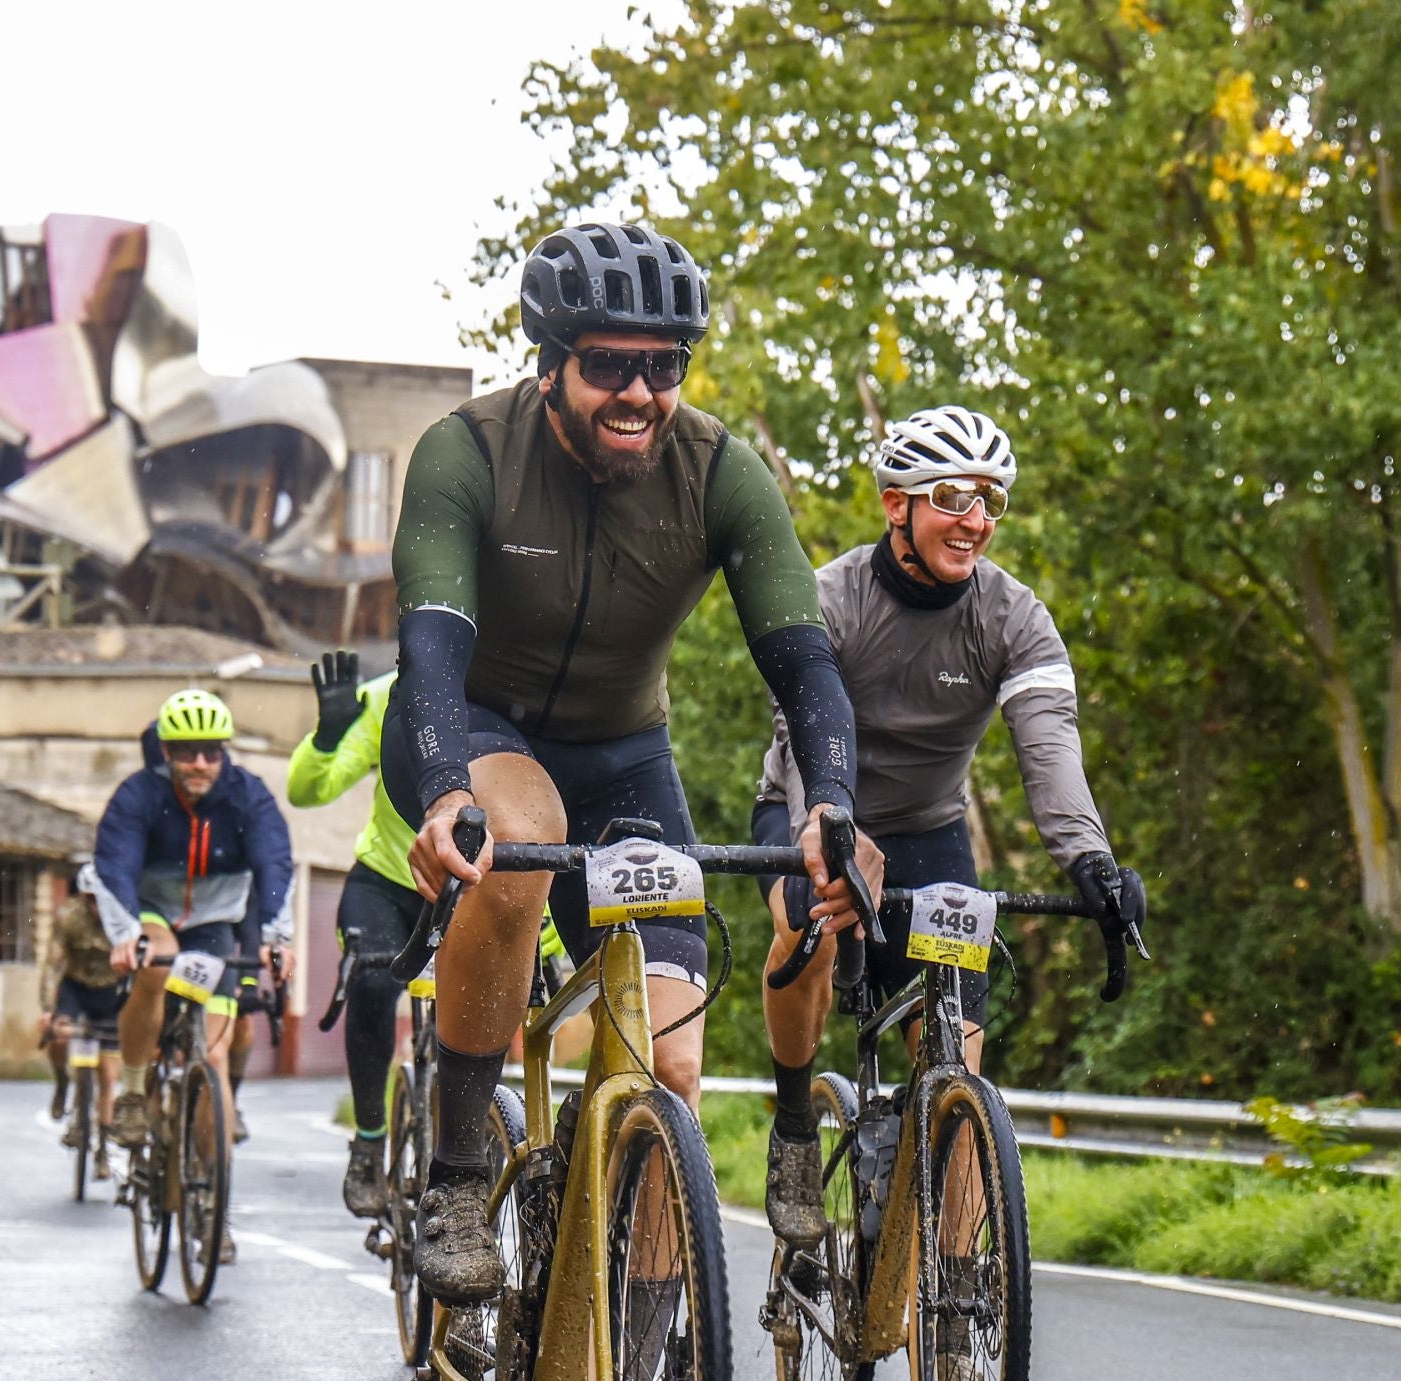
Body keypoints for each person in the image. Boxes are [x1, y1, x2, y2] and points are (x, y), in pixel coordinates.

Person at [383, 221, 881, 1305]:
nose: (639, 393)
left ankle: (652, 1328)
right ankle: (460, 1175)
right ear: (552, 360)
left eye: (663, 368)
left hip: (624, 757)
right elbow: (429, 645)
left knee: (674, 1072)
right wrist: (442, 793)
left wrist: (831, 801)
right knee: (513, 848)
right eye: (608, 365)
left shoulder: (718, 469)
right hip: (475, 725)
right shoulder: (467, 452)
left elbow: (807, 667)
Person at [753, 405, 1149, 1258]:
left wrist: (1090, 858)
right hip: (810, 808)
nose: (975, 520)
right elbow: (799, 739)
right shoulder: (831, 597)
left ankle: (963, 1283)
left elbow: (1049, 746)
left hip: (931, 834)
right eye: (952, 496)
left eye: (990, 501)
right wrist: (825, 835)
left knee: (958, 1071)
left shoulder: (1013, 616)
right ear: (897, 504)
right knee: (807, 931)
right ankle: (792, 1125)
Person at [95, 689, 296, 1264]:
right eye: (187, 752)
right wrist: (124, 933)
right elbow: (113, 866)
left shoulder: (247, 796)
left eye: (211, 751)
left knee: (217, 1051)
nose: (201, 764)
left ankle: (215, 1206)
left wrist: (278, 940)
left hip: (217, 921)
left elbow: (274, 866)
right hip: (153, 910)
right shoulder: (139, 795)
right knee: (154, 964)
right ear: (166, 752)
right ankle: (134, 1094)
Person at [286, 650, 420, 1217]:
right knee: (370, 985)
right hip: (388, 882)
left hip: (478, 889)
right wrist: (325, 739)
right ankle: (369, 1140)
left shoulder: (516, 685)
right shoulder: (388, 694)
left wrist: (550, 941)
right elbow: (306, 792)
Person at [42, 862, 128, 1181]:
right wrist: (48, 1009)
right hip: (76, 988)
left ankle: (103, 1149)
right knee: (59, 1034)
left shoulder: (123, 918)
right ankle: (63, 1083)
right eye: (89, 899)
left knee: (108, 1074)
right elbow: (53, 963)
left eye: (101, 899)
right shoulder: (68, 917)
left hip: (112, 992)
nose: (96, 906)